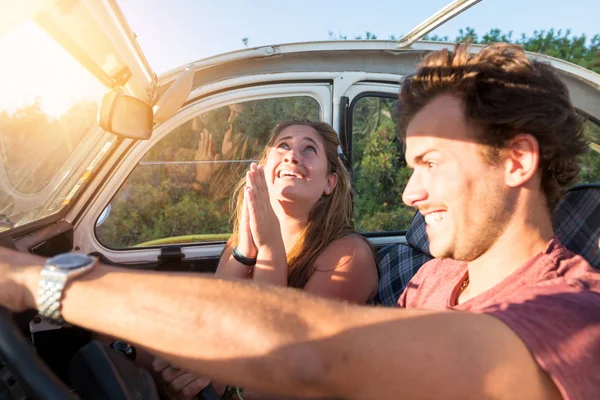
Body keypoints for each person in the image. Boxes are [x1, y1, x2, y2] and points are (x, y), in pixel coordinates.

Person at [1, 42, 599, 400]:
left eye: (431, 163)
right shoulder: (440, 278)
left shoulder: (569, 320)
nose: (411, 193)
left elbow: (305, 358)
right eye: (411, 166)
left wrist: (36, 281)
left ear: (517, 161)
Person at [153, 119, 379, 398]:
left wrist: (269, 246)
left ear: (329, 183)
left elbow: (282, 356)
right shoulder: (242, 240)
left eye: (309, 150)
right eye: (283, 145)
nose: (292, 156)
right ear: (264, 168)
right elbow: (211, 316)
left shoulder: (348, 255)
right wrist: (245, 252)